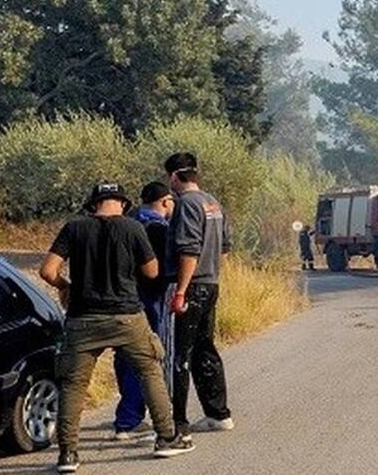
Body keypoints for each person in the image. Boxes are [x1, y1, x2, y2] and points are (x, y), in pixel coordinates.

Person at [39, 182, 194, 472]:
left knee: (73, 385)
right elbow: (152, 271)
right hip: (127, 317)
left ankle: (68, 455)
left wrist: (66, 286)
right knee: (150, 371)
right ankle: (166, 438)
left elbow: (47, 271)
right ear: (122, 203)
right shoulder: (133, 228)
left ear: (93, 203)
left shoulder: (74, 228)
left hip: (82, 319)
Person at [164, 153, 234, 435]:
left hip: (192, 287)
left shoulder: (186, 204)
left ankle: (178, 422)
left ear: (173, 177)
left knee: (180, 355)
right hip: (211, 283)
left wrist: (181, 291)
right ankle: (219, 414)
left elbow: (189, 250)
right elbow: (225, 248)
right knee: (206, 349)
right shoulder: (213, 203)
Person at [110, 182, 175, 440]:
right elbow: (156, 270)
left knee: (123, 357)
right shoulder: (157, 228)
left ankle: (128, 412)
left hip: (120, 299)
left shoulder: (125, 221)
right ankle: (129, 419)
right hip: (147, 299)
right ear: (165, 201)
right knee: (145, 358)